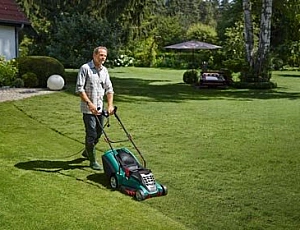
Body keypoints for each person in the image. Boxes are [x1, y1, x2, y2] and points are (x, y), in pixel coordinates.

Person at [75, 46, 114, 170]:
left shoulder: (104, 71)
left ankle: (88, 150)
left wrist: (110, 105)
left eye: (105, 56)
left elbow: (109, 89)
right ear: (94, 55)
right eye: (101, 55)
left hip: (100, 108)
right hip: (88, 109)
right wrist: (89, 103)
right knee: (91, 134)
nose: (103, 58)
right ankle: (92, 161)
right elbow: (79, 89)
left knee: (99, 133)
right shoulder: (85, 68)